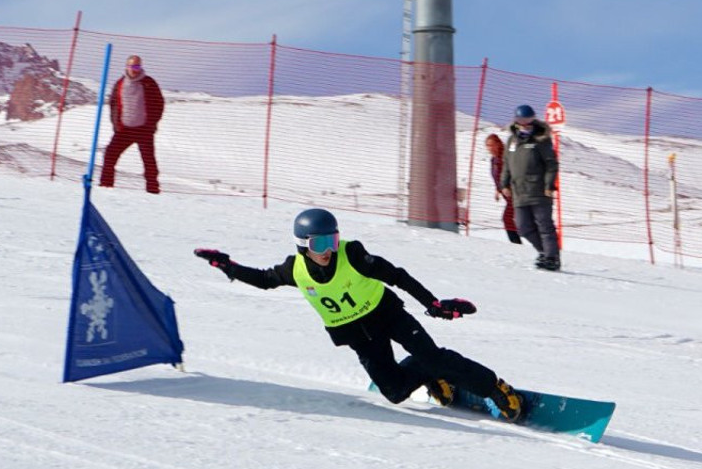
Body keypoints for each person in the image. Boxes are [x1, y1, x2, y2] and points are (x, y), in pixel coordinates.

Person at [194, 208, 525, 421]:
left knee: (433, 356)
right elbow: (265, 280)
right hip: (357, 335)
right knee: (394, 393)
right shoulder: (295, 269)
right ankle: (429, 372)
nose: (328, 250)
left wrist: (432, 303)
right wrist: (229, 266)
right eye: (320, 243)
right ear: (302, 244)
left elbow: (397, 275)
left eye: (332, 240)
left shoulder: (352, 254)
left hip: (386, 314)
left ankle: (494, 387)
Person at [499, 104, 561, 271]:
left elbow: (551, 164)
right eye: (521, 120)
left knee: (544, 226)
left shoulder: (541, 139)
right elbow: (507, 164)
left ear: (533, 120)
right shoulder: (512, 141)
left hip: (539, 191)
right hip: (519, 192)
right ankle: (544, 251)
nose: (525, 124)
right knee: (523, 227)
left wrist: (549, 185)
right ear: (516, 121)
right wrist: (504, 183)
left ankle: (552, 258)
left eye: (528, 120)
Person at [99, 54, 164, 194]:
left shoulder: (149, 83)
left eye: (137, 66)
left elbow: (159, 103)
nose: (134, 69)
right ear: (126, 66)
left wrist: (152, 123)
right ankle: (105, 186)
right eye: (132, 66)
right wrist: (116, 124)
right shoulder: (119, 84)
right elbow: (113, 104)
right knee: (110, 155)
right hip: (124, 130)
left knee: (149, 161)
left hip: (144, 130)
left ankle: (153, 189)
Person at [486, 133, 522, 245]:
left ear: (498, 144)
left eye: (492, 145)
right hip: (507, 195)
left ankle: (517, 244)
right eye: (488, 145)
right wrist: (497, 190)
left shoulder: (505, 157)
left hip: (516, 193)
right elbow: (497, 177)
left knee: (507, 218)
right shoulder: (493, 160)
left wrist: (507, 186)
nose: (490, 148)